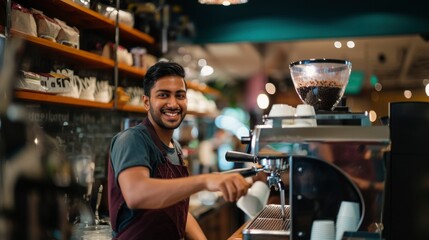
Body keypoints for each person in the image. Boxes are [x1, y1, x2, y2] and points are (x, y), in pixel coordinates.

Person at [108, 61, 251, 240]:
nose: (173, 103)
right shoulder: (132, 140)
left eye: (180, 95)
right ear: (146, 102)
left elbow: (177, 210)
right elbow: (136, 194)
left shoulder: (175, 148)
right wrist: (205, 180)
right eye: (163, 95)